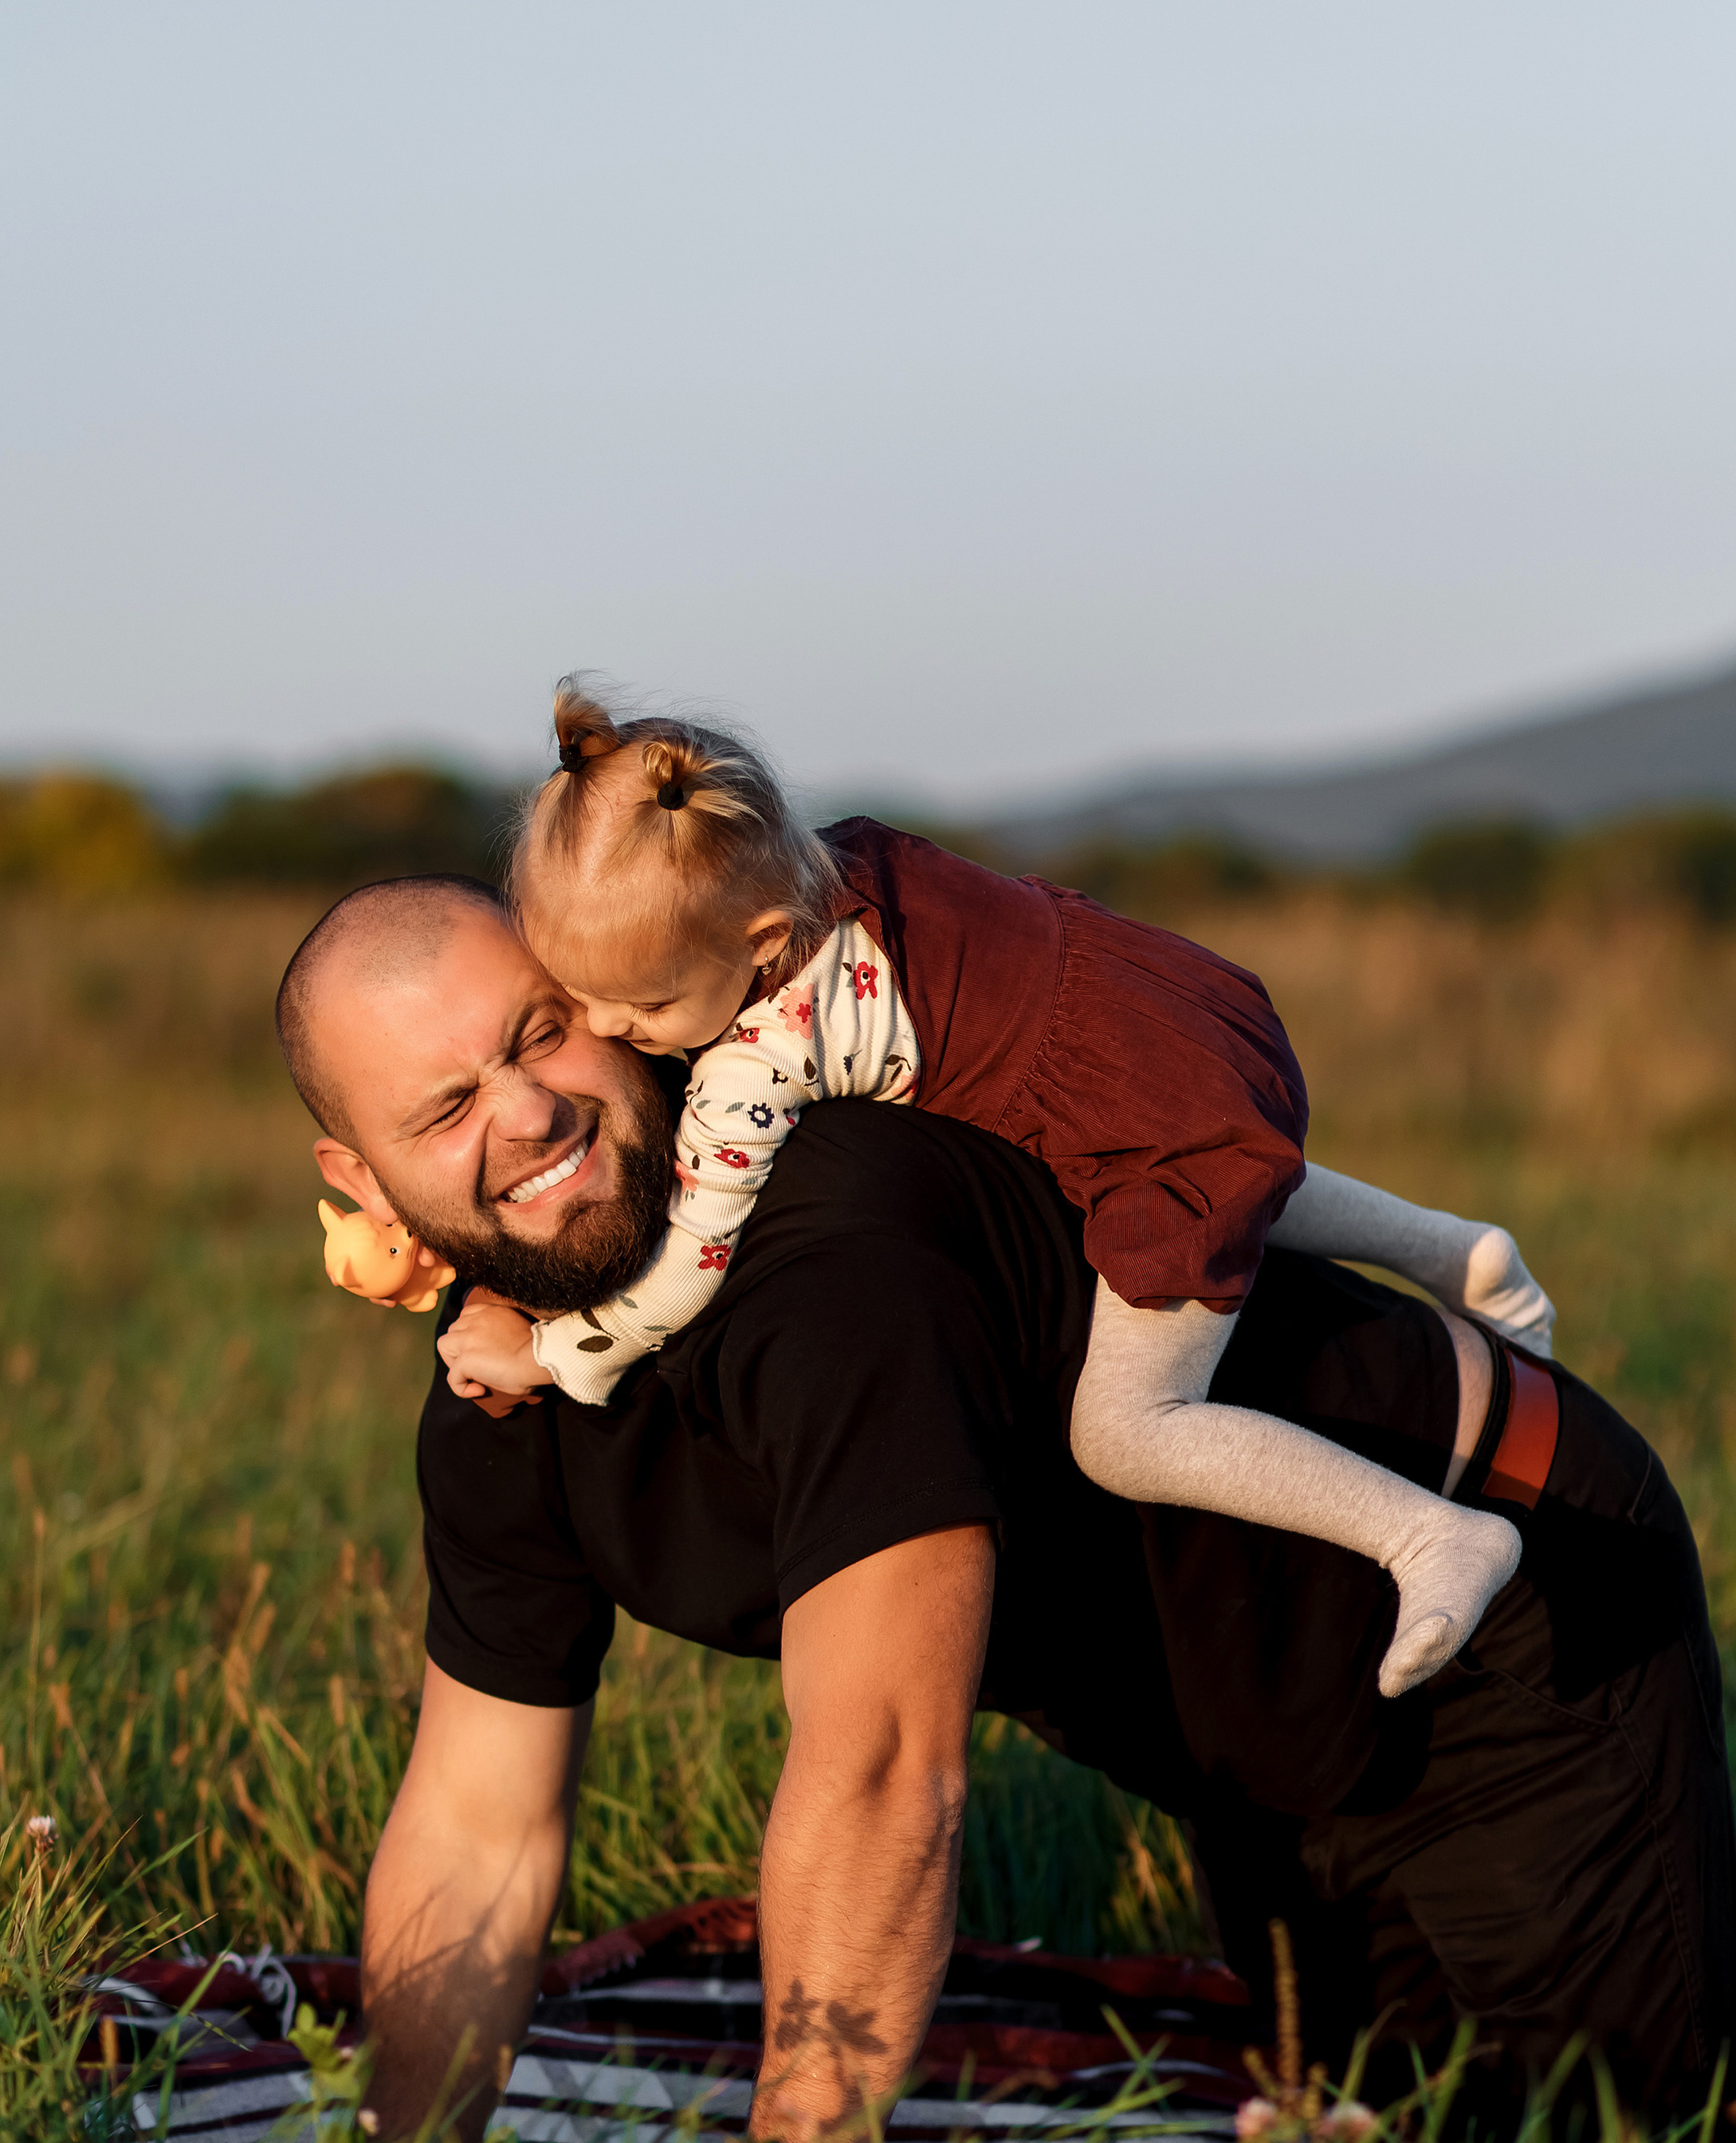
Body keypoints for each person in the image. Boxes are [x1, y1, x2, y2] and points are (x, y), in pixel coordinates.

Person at [278, 875, 1736, 2143]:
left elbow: (881, 1771)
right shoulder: (503, 1411)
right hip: (1257, 1745)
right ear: (363, 1177)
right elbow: (479, 1823)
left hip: (1507, 1590)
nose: (528, 1111)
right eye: (446, 1104)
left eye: (539, 1034)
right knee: (1379, 2142)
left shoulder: (827, 1255)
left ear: (608, 1001)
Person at [397, 686, 1557, 1699]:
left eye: (639, 1013)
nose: (608, 1036)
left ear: (758, 947)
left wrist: (553, 1358)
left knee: (1129, 1430)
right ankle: (1454, 1251)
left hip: (1138, 1115)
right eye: (581, 1000)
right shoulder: (822, 858)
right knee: (1212, 1167)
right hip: (1165, 1017)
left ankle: (1428, 1537)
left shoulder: (764, 1058)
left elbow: (691, 1258)